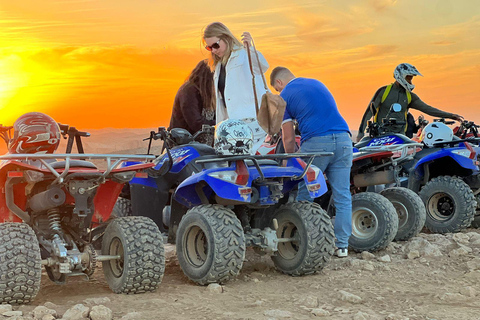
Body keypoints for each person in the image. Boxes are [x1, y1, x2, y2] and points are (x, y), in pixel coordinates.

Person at [270, 66, 353, 258]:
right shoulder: (317, 83)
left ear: (279, 83)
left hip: (317, 143)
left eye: (276, 89)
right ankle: (342, 246)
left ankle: (302, 242)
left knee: (305, 194)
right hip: (344, 140)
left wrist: (292, 160)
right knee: (343, 196)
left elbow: (288, 139)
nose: (278, 93)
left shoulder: (284, 96)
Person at [203, 22, 269, 153]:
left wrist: (250, 48)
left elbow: (263, 67)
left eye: (216, 45)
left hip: (252, 123)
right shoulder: (219, 66)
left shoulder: (243, 54)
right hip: (232, 128)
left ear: (226, 37)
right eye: (209, 48)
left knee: (251, 165)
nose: (214, 50)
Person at [357, 63, 463, 142]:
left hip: (401, 137)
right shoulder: (384, 91)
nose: (410, 81)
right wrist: (360, 133)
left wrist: (451, 116)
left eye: (411, 78)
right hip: (381, 137)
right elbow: (369, 112)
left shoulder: (410, 96)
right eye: (408, 78)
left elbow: (427, 109)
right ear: (401, 76)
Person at [169, 60, 215, 135]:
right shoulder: (188, 91)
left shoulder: (208, 94)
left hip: (200, 143)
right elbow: (196, 123)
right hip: (184, 144)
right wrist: (221, 123)